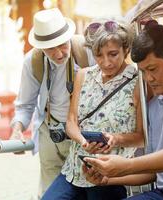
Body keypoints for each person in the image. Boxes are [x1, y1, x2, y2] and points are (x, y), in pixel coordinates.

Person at [83, 21, 163, 200]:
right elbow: (151, 171)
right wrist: (107, 178)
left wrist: (127, 165)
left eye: (152, 69)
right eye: (142, 72)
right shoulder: (153, 105)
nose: (148, 78)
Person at [42, 18, 144, 200]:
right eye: (99, 55)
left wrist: (115, 139)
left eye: (113, 54)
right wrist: (83, 142)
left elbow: (142, 137)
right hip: (73, 170)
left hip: (110, 175)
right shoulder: (84, 75)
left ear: (126, 49)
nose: (106, 62)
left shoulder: (138, 81)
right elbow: (71, 122)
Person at [10, 8, 95, 198]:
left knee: (88, 188)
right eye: (50, 48)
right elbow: (25, 105)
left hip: (84, 132)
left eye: (62, 45)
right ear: (41, 47)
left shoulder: (86, 49)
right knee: (52, 192)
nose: (58, 54)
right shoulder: (32, 61)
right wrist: (17, 131)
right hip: (49, 133)